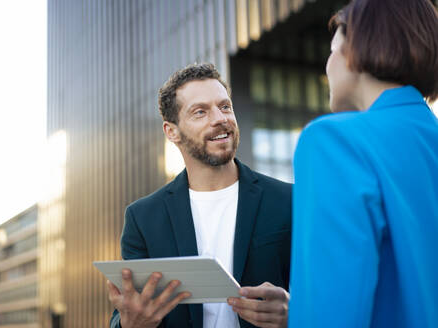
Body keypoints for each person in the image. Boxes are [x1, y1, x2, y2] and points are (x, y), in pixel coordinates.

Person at [107, 63, 292, 328]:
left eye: (225, 106)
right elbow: (123, 315)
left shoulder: (287, 201)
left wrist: (295, 313)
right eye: (200, 112)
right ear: (172, 131)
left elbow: (331, 295)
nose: (220, 118)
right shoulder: (143, 218)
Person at [289, 0, 438, 327]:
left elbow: (331, 314)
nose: (327, 65)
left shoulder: (333, 142)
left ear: (355, 50)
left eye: (331, 50)